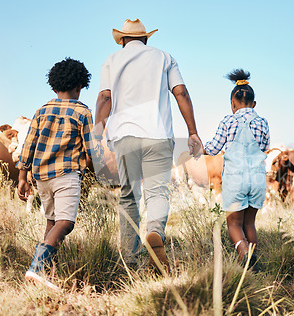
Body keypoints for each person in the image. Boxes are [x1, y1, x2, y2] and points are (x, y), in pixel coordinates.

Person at [95, 18, 203, 272]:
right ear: (145, 38)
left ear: (122, 40)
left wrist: (97, 134)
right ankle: (155, 231)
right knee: (158, 193)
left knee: (129, 197)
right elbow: (181, 93)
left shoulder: (112, 59)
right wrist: (193, 132)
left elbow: (104, 97)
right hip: (158, 134)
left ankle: (130, 260)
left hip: (124, 136)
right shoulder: (164, 57)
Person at [17, 58, 97, 290]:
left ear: (53, 87)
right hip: (67, 174)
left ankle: (45, 274)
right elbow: (92, 149)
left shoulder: (41, 111)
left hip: (42, 177)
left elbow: (28, 146)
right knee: (66, 222)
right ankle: (37, 267)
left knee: (51, 222)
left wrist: (22, 178)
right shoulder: (82, 112)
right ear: (80, 87)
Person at [203, 69, 270, 271]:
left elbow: (213, 148)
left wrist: (198, 148)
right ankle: (253, 262)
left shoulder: (228, 120)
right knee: (249, 224)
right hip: (257, 179)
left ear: (233, 104)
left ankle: (244, 254)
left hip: (235, 179)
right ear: (254, 104)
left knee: (234, 224)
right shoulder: (263, 122)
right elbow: (266, 147)